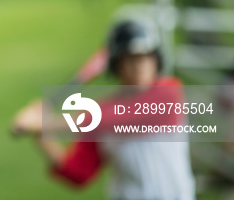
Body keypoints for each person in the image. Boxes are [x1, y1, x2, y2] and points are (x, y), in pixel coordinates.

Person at [12, 17, 196, 199]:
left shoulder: (169, 92)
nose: (140, 65)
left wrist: (43, 123)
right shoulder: (100, 114)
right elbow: (78, 173)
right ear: (117, 66)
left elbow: (114, 117)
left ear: (156, 60)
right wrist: (41, 136)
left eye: (146, 57)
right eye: (130, 58)